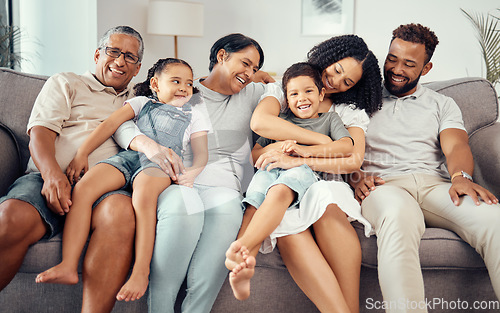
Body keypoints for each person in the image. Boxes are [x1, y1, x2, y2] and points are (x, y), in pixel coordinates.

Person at [112, 33, 277, 313]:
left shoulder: (256, 94)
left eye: (254, 68)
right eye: (245, 63)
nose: (249, 73)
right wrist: (148, 145)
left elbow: (291, 93)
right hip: (178, 181)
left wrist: (268, 79)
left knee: (225, 221)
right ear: (222, 56)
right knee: (181, 209)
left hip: (225, 189)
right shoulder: (182, 88)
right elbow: (125, 122)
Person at [227, 34, 382, 313]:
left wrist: (302, 156)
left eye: (347, 82)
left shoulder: (344, 112)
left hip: (325, 178)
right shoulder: (288, 91)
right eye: (336, 70)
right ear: (327, 56)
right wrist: (318, 142)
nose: (335, 81)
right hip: (280, 179)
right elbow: (261, 122)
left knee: (324, 196)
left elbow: (352, 158)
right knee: (284, 216)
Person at [350, 23, 500, 313]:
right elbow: (338, 143)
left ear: (426, 68)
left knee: (495, 220)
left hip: (435, 185)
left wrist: (461, 177)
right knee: (397, 216)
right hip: (383, 185)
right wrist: (354, 177)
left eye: (409, 64)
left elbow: (456, 146)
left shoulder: (442, 103)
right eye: (392, 58)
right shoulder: (360, 98)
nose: (396, 69)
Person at [35, 58, 210, 302]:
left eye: (189, 84)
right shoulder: (141, 102)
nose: (184, 87)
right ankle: (67, 264)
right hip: (129, 157)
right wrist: (82, 153)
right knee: (84, 188)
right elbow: (110, 125)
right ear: (155, 84)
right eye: (176, 81)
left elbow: (202, 153)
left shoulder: (194, 114)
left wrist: (192, 173)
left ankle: (141, 271)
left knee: (142, 199)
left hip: (161, 164)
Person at [0, 26, 144, 312]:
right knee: (10, 217)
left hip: (106, 190)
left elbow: (189, 86)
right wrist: (52, 175)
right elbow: (40, 133)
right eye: (113, 51)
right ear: (97, 54)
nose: (120, 61)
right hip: (47, 176)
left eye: (129, 57)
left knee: (119, 214)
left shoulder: (143, 100)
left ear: (138, 68)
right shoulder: (66, 82)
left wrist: (259, 80)